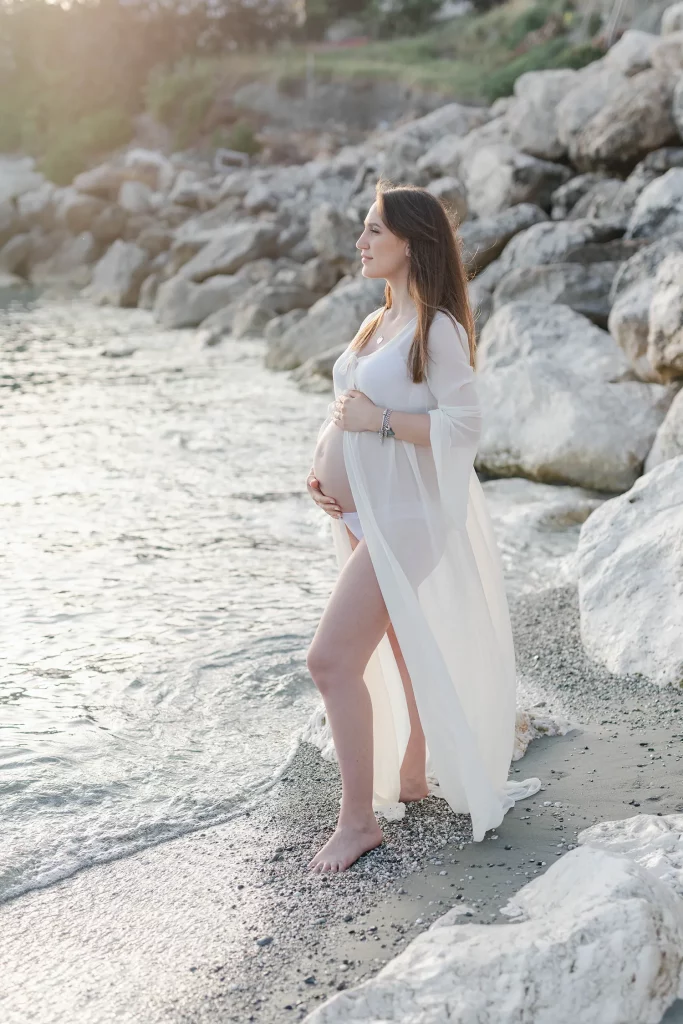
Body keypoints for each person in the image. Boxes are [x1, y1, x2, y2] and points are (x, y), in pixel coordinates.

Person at [305, 180, 540, 874]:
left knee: (329, 661)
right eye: (364, 229)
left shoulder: (436, 327)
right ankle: (411, 772)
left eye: (376, 230)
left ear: (414, 240)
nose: (362, 241)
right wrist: (321, 474)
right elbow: (344, 409)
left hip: (405, 516)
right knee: (401, 642)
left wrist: (371, 426)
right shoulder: (379, 321)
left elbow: (464, 426)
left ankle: (357, 823)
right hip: (361, 511)